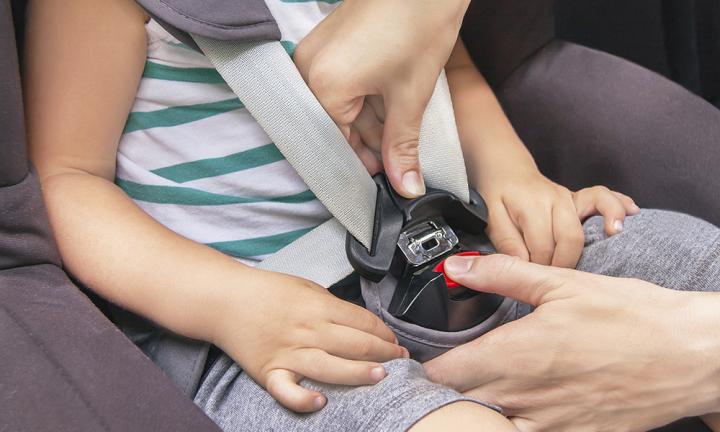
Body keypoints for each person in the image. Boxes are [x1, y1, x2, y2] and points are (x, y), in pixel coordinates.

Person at [21, 0, 697, 431]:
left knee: (686, 263)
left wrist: (514, 175)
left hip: (449, 245)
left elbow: (445, 68)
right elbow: (68, 180)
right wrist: (227, 303)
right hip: (260, 320)